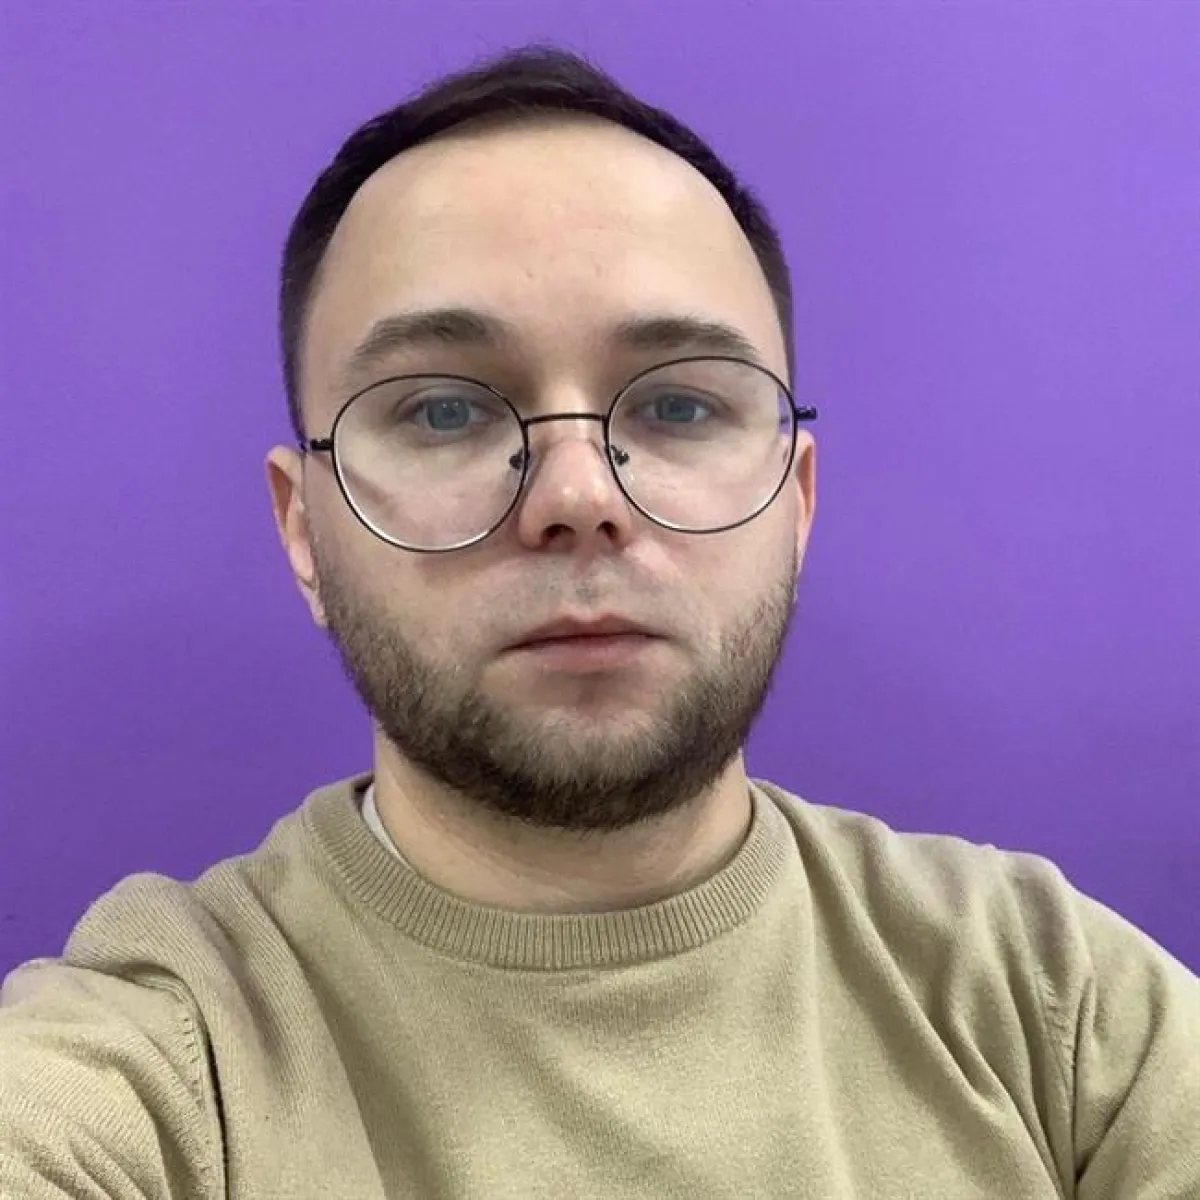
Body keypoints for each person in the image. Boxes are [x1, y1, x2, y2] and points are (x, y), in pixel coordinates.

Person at [1, 44, 1196, 1199]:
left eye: (679, 405)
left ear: (796, 502)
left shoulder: (1060, 1008)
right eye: (442, 412)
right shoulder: (163, 1072)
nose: (577, 496)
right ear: (303, 527)